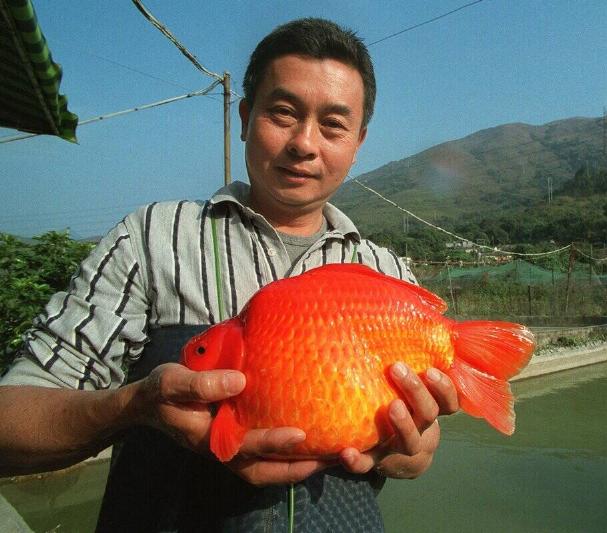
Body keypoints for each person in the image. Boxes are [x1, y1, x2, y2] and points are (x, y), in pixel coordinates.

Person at [0, 18, 459, 531]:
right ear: (244, 117)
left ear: (358, 142)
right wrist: (135, 405)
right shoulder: (150, 240)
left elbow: (417, 454)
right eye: (282, 113)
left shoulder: (390, 276)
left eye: (333, 124)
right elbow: (9, 424)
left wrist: (408, 451)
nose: (304, 143)